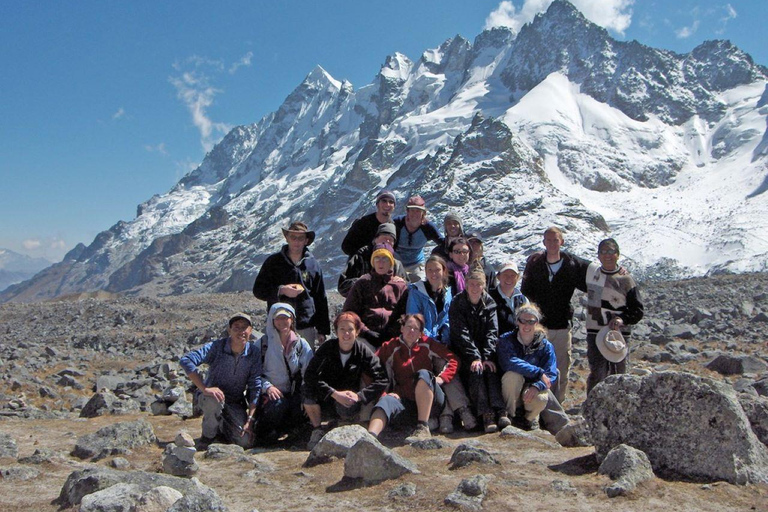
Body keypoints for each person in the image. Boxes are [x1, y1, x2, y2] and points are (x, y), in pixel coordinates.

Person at [405, 254, 477, 432]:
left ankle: (446, 416)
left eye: (437, 269)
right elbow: (414, 320)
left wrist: (445, 332)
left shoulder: (450, 293)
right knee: (441, 363)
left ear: (444, 271)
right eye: (429, 270)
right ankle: (458, 411)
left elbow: (450, 318)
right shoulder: (416, 291)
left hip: (444, 341)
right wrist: (430, 339)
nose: (433, 273)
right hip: (422, 342)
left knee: (444, 365)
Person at [520, 226, 589, 403]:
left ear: (562, 241)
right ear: (544, 242)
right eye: (548, 240)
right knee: (536, 367)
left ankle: (557, 406)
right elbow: (525, 291)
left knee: (561, 369)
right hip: (539, 326)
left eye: (555, 240)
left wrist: (619, 271)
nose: (552, 243)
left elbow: (595, 274)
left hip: (561, 325)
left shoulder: (572, 263)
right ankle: (536, 407)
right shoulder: (535, 263)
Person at [302, 311, 389, 450]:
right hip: (327, 396)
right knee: (307, 389)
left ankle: (342, 422)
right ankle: (317, 429)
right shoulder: (328, 348)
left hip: (349, 400)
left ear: (357, 332)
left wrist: (360, 396)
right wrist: (334, 393)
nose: (346, 334)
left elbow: (382, 379)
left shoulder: (362, 351)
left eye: (350, 329)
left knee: (346, 409)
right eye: (342, 329)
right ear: (336, 331)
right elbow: (310, 375)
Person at [368, 313, 460, 442]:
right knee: (385, 402)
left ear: (421, 333)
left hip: (432, 402)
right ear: (402, 328)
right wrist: (382, 393)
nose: (411, 331)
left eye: (416, 328)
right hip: (404, 402)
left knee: (423, 374)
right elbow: (370, 368)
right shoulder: (391, 347)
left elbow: (453, 359)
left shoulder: (428, 344)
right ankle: (369, 439)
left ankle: (423, 427)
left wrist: (442, 378)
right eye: (408, 326)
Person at [180, 312, 261, 449]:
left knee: (245, 442)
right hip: (211, 397)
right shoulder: (216, 347)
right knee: (214, 400)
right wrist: (204, 388)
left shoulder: (254, 353)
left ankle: (223, 428)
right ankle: (208, 436)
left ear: (251, 330)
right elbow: (186, 360)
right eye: (236, 327)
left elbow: (255, 385)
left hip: (235, 401)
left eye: (244, 327)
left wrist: (250, 419)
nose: (241, 331)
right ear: (229, 330)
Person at [252, 221, 331, 347]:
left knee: (305, 363)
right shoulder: (273, 262)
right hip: (279, 324)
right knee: (279, 363)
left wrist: (322, 330)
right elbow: (258, 290)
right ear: (287, 238)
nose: (296, 241)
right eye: (293, 237)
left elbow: (320, 298)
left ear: (306, 241)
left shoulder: (313, 265)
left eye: (300, 238)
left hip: (306, 325)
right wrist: (281, 290)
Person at [449, 270, 507, 433]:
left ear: (484, 286)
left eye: (478, 284)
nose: (475, 287)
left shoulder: (490, 303)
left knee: (491, 368)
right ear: (466, 285)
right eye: (471, 284)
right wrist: (474, 356)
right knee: (476, 371)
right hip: (464, 351)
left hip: (485, 349)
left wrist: (487, 355)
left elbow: (492, 331)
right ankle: (485, 414)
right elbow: (460, 333)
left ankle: (500, 410)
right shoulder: (457, 302)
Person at [584, 238, 644, 393]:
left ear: (618, 254)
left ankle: (619, 409)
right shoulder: (592, 274)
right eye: (603, 252)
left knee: (619, 373)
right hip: (594, 332)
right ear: (598, 255)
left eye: (611, 251)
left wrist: (622, 319)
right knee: (598, 373)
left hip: (619, 333)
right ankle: (592, 409)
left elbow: (637, 309)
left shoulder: (626, 279)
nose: (607, 255)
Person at [256, 303, 314, 441]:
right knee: (277, 405)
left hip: (294, 392)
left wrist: (306, 394)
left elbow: (309, 371)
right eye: (278, 318)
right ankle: (265, 433)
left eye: (286, 317)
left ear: (292, 319)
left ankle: (292, 431)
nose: (282, 321)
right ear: (272, 320)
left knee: (303, 405)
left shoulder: (301, 344)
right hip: (270, 394)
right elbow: (253, 373)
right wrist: (267, 387)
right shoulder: (262, 344)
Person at [497, 304, 557, 431]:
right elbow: (508, 362)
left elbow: (551, 373)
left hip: (530, 389)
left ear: (537, 323)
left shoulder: (545, 346)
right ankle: (509, 416)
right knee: (513, 375)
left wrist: (537, 386)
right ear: (517, 321)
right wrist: (538, 372)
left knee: (541, 398)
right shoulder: (506, 340)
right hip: (511, 391)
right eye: (523, 321)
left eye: (531, 321)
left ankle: (529, 419)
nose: (526, 325)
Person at [342, 243, 409, 347]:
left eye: (385, 258)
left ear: (391, 262)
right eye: (377, 258)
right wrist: (366, 332)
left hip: (393, 338)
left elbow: (404, 314)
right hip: (364, 337)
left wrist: (391, 332)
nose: (380, 262)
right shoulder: (362, 283)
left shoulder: (400, 286)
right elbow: (349, 312)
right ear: (372, 262)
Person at [337, 222, 407, 298]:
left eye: (391, 239)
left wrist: (400, 284)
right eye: (384, 237)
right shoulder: (361, 257)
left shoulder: (397, 263)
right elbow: (343, 287)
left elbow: (407, 290)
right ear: (375, 240)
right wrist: (361, 282)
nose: (387, 241)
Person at [392, 195, 442, 283]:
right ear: (407, 211)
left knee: (420, 284)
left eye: (418, 211)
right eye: (412, 210)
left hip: (416, 263)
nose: (414, 214)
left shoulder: (428, 228)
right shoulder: (397, 223)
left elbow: (442, 243)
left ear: (423, 213)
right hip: (396, 261)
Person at [341, 190, 397, 257]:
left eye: (391, 202)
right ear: (377, 204)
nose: (387, 204)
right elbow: (346, 247)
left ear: (394, 206)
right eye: (384, 201)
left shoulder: (394, 227)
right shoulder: (362, 223)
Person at [489, 261, 529, 336]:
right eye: (505, 275)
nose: (509, 278)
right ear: (498, 277)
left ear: (517, 277)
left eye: (512, 275)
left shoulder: (523, 300)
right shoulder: (489, 298)